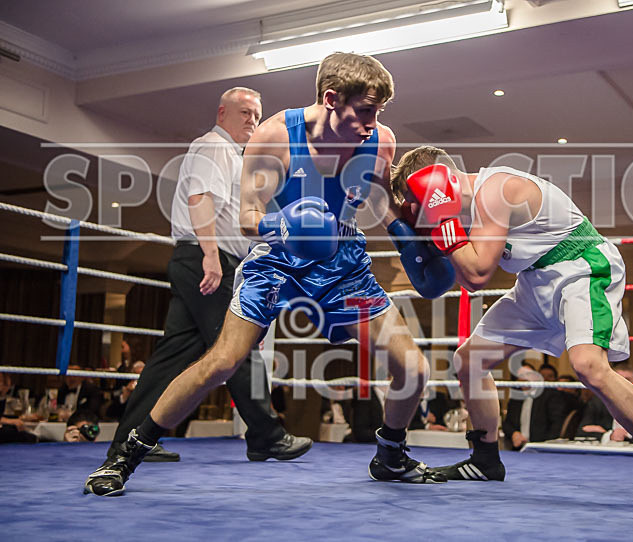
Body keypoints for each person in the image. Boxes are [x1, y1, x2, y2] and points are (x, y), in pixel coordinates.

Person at [85, 54, 452, 497]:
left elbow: (373, 197)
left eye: (379, 111)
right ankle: (126, 455)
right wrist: (290, 225)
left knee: (412, 367)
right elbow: (245, 217)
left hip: (343, 264)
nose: (374, 123)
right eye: (367, 110)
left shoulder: (381, 140)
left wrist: (408, 241)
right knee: (221, 363)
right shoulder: (276, 135)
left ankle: (390, 455)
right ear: (331, 99)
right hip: (278, 259)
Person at [390, 146, 633, 508]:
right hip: (533, 282)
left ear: (436, 183)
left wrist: (442, 228)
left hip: (580, 268)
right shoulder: (466, 216)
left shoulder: (495, 191)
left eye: (419, 199)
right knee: (469, 361)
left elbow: (477, 275)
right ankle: (485, 459)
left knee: (590, 366)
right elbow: (462, 277)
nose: (421, 211)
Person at [84, 86, 312, 490]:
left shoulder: (234, 155)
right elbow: (199, 197)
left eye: (257, 115)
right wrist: (210, 254)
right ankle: (266, 435)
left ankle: (133, 437)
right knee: (236, 345)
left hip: (206, 260)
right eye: (244, 112)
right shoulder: (212, 146)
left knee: (172, 357)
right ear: (222, 112)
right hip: (206, 258)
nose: (252, 121)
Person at [502, 365, 572, 449]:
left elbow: (557, 425)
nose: (524, 379)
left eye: (527, 375)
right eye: (520, 376)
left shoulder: (550, 395)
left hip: (542, 449)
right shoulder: (516, 399)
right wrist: (514, 433)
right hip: (519, 449)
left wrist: (544, 446)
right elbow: (507, 423)